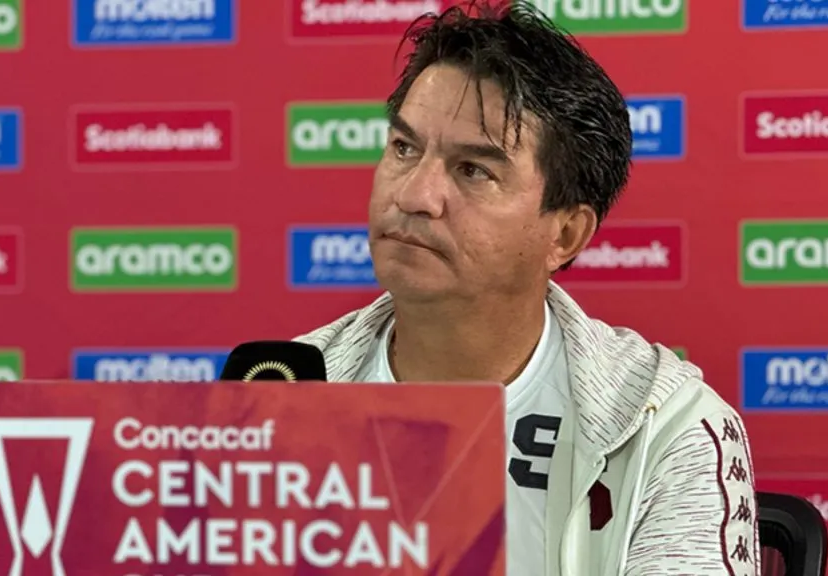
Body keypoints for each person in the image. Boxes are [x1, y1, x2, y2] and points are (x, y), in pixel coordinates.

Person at [294, 2, 760, 575]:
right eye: (404, 148)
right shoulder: (280, 393)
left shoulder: (665, 429)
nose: (415, 195)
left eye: (474, 170)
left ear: (564, 234)